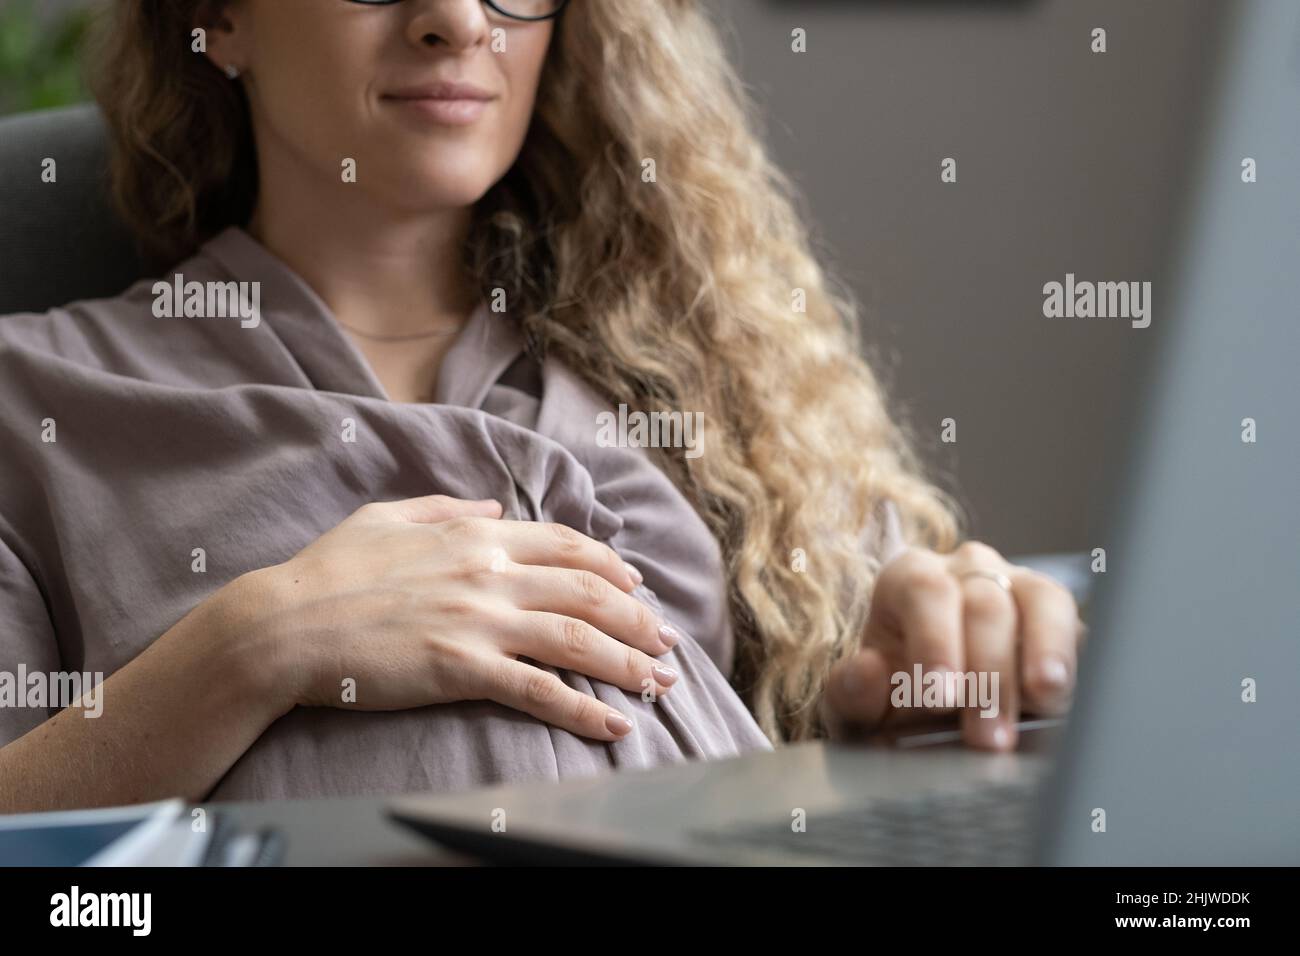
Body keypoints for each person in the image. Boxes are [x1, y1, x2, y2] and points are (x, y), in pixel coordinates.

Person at [0, 0, 1080, 813]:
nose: (458, 19)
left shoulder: (712, 388)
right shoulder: (38, 399)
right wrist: (253, 645)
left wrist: (912, 697)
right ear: (218, 19)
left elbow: (885, 708)